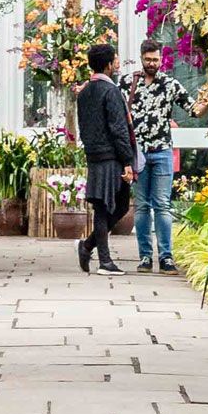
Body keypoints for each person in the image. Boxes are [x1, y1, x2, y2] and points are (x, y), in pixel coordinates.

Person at [120, 40, 191, 273]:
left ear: (161, 59)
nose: (152, 63)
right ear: (141, 58)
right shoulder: (128, 83)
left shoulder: (170, 84)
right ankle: (145, 257)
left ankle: (166, 257)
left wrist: (206, 105)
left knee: (162, 205)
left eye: (156, 59)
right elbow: (114, 110)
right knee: (141, 206)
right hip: (138, 153)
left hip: (161, 150)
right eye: (148, 59)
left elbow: (193, 108)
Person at [73, 40, 136, 275]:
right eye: (116, 60)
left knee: (118, 206)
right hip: (111, 157)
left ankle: (88, 245)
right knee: (105, 208)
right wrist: (128, 162)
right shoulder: (111, 91)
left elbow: (83, 125)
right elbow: (119, 129)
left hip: (94, 154)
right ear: (109, 65)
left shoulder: (85, 92)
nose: (117, 63)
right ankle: (105, 262)